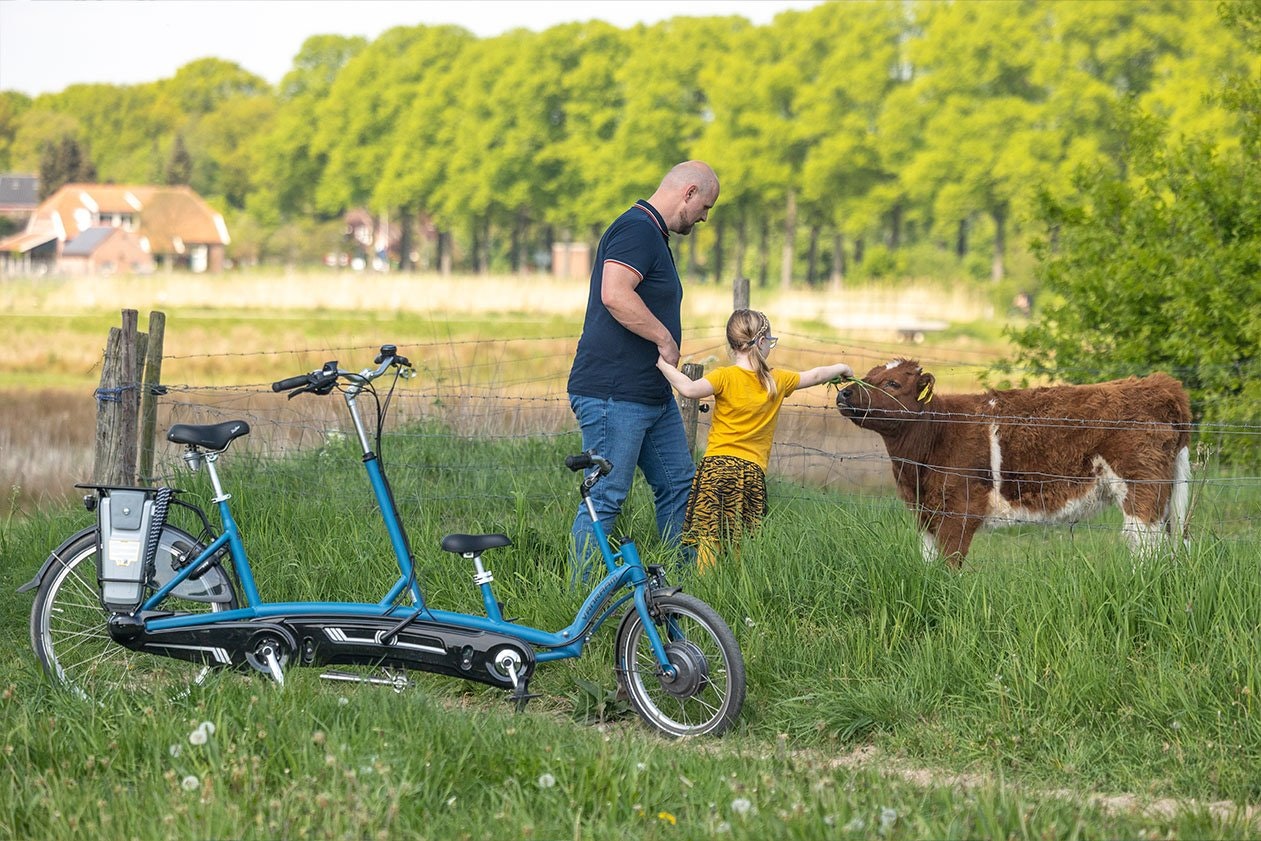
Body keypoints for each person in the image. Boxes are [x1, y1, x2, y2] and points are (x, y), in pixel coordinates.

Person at [566, 160, 720, 582]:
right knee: (607, 493)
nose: (705, 217)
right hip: (614, 392)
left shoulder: (653, 234)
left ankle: (675, 591)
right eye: (705, 206)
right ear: (688, 192)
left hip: (650, 394)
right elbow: (614, 294)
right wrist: (664, 338)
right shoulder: (636, 230)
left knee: (678, 484)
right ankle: (582, 599)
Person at [656, 309, 854, 571]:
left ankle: (704, 592)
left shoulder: (724, 376)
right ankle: (735, 586)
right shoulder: (777, 380)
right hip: (749, 473)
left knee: (709, 538)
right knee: (739, 538)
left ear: (732, 344)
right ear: (761, 343)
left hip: (715, 470)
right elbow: (816, 375)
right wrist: (842, 367)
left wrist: (663, 365)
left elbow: (689, 389)